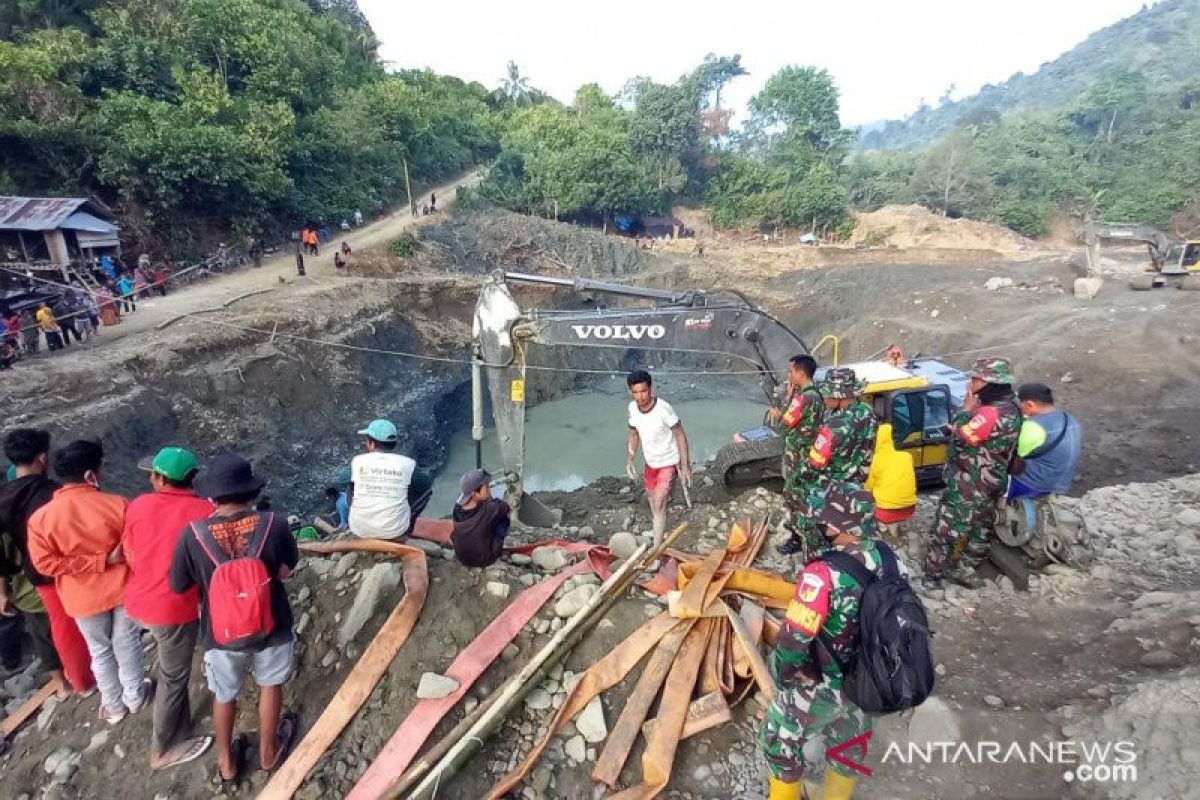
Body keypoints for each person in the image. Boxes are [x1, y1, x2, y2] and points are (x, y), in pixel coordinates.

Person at [169, 454, 299, 781]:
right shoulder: (275, 524)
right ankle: (269, 753)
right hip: (273, 624)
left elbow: (179, 584)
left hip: (220, 632)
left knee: (224, 693)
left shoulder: (192, 535)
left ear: (211, 497)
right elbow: (287, 567)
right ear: (252, 493)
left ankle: (227, 763)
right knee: (270, 684)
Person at [760, 483, 885, 800]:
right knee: (849, 737)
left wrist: (786, 675)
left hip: (826, 680)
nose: (823, 526)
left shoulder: (823, 574)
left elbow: (794, 638)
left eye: (829, 521)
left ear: (842, 526)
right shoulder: (890, 561)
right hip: (867, 677)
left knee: (779, 739)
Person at [28, 439, 147, 724]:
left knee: (100, 649)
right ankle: (135, 695)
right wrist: (105, 561)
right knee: (126, 641)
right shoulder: (118, 505)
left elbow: (44, 564)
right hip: (122, 588)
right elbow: (137, 548)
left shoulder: (41, 519)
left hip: (81, 598)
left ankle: (113, 706)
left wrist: (92, 563)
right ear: (91, 474)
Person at [123, 447, 215, 769]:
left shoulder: (139, 505)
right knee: (174, 676)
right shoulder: (205, 510)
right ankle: (162, 751)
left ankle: (180, 726)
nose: (150, 478)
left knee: (172, 666)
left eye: (153, 474)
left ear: (162, 479)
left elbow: (131, 554)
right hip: (175, 607)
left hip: (141, 601)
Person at [0, 429, 93, 697]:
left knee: (44, 633)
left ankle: (63, 685)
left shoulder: (3, 498)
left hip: (28, 579)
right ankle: (85, 678)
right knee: (73, 626)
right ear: (42, 458)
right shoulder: (54, 494)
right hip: (64, 572)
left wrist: (3, 592)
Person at [923, 358, 1022, 589]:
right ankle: (967, 566)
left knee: (946, 529)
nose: (971, 382)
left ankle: (933, 576)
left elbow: (964, 433)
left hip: (970, 482)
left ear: (990, 382)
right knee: (981, 526)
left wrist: (965, 410)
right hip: (994, 478)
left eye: (976, 378)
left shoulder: (990, 413)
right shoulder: (1013, 406)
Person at [806, 368, 878, 533]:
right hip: (855, 482)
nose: (824, 398)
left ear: (840, 396)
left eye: (827, 394)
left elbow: (815, 462)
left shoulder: (835, 426)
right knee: (849, 527)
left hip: (830, 486)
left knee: (817, 528)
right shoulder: (867, 412)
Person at [625, 370, 692, 546]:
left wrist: (685, 466)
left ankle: (656, 550)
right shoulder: (633, 409)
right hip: (651, 463)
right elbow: (633, 434)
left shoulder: (663, 409)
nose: (640, 397)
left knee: (659, 502)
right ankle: (658, 529)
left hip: (668, 462)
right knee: (654, 504)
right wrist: (630, 459)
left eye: (643, 391)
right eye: (636, 392)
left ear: (651, 389)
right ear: (630, 392)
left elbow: (679, 434)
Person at [767, 355, 824, 556]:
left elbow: (782, 426)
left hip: (798, 457)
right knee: (802, 497)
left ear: (800, 372)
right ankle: (802, 536)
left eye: (791, 371)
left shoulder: (803, 398)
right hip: (806, 455)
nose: (789, 376)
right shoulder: (816, 394)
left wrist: (782, 405)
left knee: (795, 498)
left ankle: (799, 539)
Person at [347, 420, 428, 539]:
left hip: (359, 529)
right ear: (394, 444)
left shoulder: (358, 461)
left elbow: (342, 478)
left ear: (372, 444)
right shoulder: (408, 464)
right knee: (421, 490)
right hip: (394, 530)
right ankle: (407, 526)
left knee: (351, 484)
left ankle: (361, 518)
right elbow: (426, 483)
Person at [1009, 383, 1082, 498]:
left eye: (1020, 405)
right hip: (1062, 485)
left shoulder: (1034, 427)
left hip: (1032, 485)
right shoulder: (1071, 420)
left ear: (1029, 405)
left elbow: (1011, 457)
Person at [865, 423, 917, 542]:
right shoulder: (906, 456)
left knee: (867, 497)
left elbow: (868, 487)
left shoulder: (876, 460)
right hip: (909, 508)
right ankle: (894, 527)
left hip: (886, 511)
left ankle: (883, 528)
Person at [451, 469, 511, 568]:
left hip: (461, 557)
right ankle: (494, 549)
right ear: (475, 493)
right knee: (503, 519)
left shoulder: (456, 508)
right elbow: (505, 507)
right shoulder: (489, 509)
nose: (488, 488)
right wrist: (489, 499)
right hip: (484, 559)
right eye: (486, 487)